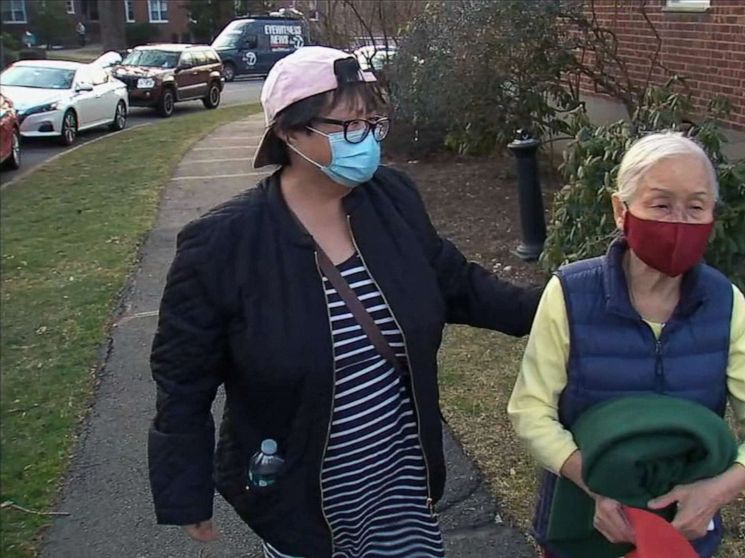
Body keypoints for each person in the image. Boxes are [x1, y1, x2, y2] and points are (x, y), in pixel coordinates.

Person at [148, 46, 540, 557]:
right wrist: (185, 491)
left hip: (399, 477)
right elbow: (182, 377)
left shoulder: (391, 197)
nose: (369, 140)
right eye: (350, 126)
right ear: (290, 133)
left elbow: (454, 282)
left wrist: (555, 305)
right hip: (302, 491)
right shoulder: (222, 244)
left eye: (372, 123)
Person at [508, 132, 745, 558]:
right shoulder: (569, 294)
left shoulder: (725, 303)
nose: (679, 222)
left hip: (685, 531)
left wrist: (718, 491)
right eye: (661, 204)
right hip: (584, 518)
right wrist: (595, 483)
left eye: (696, 206)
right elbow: (531, 409)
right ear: (621, 210)